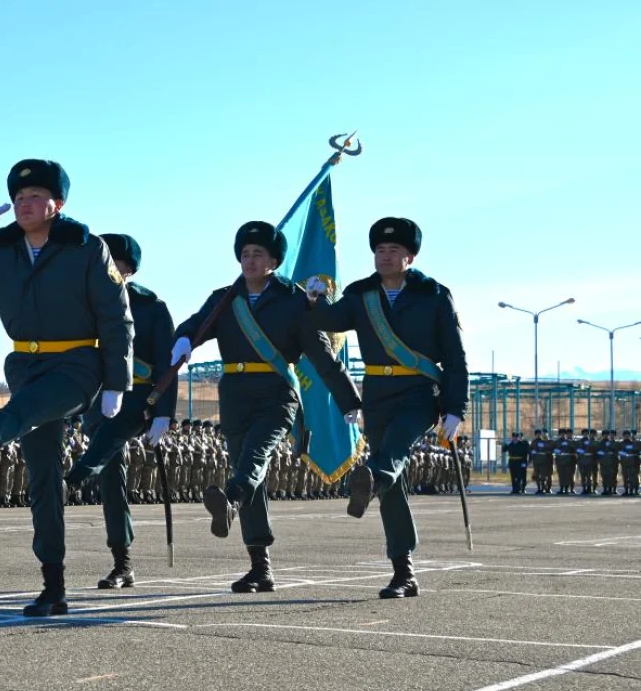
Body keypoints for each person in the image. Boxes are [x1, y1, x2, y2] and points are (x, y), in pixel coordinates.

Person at [0, 158, 133, 616]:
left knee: (23, 411)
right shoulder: (0, 252)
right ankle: (53, 587)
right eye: (18, 197)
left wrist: (117, 381)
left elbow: (116, 317)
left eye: (35, 196)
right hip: (25, 363)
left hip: (78, 364)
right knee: (42, 477)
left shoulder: (85, 248)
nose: (24, 204)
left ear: (58, 204)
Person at [174, 221, 361, 593]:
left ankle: (230, 500)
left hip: (277, 395)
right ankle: (260, 567)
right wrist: (183, 339)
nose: (250, 260)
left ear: (274, 261)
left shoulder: (293, 300)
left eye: (258, 254)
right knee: (250, 474)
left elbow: (322, 355)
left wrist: (348, 400)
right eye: (245, 254)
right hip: (235, 395)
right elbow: (196, 325)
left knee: (255, 457)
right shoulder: (225, 299)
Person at [307, 216, 468, 599]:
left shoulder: (434, 295)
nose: (385, 256)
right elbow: (331, 321)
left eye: (394, 250)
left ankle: (372, 478)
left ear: (410, 257)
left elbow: (455, 356)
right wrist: (315, 298)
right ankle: (403, 572)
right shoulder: (362, 294)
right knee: (391, 484)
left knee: (394, 449)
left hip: (420, 392)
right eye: (380, 250)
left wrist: (455, 409)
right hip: (378, 394)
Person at [65, 233, 175, 589]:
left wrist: (164, 413)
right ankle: (122, 563)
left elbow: (168, 364)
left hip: (137, 398)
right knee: (112, 482)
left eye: (113, 262)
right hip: (96, 399)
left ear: (129, 269)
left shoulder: (151, 307)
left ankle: (72, 479)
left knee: (109, 437)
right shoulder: (82, 302)